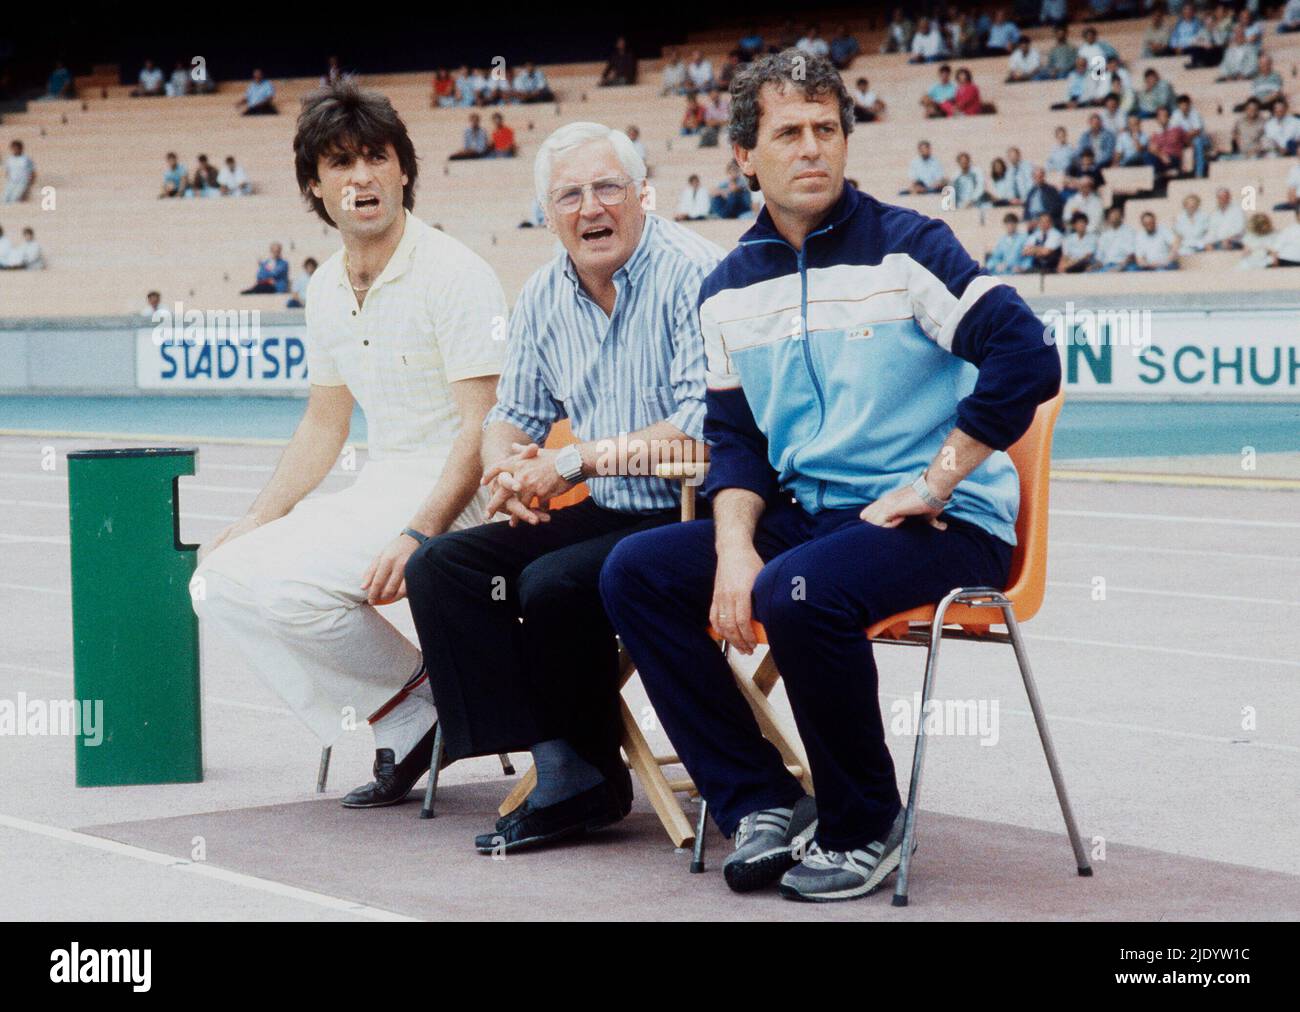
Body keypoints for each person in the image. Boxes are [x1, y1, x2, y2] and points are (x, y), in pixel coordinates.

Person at [599, 49, 1060, 903]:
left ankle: (866, 826)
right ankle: (763, 798)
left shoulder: (908, 248)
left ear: (845, 142)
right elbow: (735, 439)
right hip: (816, 518)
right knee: (637, 571)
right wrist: (734, 547)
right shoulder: (729, 287)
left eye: (826, 129)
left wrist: (937, 479)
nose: (811, 148)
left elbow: (1028, 355)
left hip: (943, 528)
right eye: (788, 133)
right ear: (745, 156)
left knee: (800, 589)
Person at [402, 121, 724, 854]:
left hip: (695, 514)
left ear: (643, 194)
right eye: (569, 196)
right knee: (444, 566)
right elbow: (512, 413)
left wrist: (572, 463)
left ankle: (575, 776)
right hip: (613, 512)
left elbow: (698, 436)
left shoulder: (693, 274)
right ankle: (567, 761)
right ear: (547, 214)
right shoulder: (546, 291)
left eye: (607, 187)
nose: (590, 208)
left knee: (551, 583)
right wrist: (505, 468)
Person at [192, 80, 508, 809]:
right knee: (220, 579)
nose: (361, 177)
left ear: (403, 170)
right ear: (316, 186)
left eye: (376, 157)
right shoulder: (326, 286)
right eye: (340, 163)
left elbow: (480, 428)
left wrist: (417, 532)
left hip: (458, 495)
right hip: (384, 481)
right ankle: (411, 707)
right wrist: (252, 521)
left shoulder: (456, 273)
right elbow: (323, 426)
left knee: (296, 591)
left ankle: (425, 703)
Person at [1171, 94, 1212, 177]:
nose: (1183, 107)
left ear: (1189, 104)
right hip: (1184, 139)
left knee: (1197, 142)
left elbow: (1197, 131)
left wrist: (1184, 136)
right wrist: (1184, 137)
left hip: (1201, 139)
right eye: (1181, 105)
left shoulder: (1195, 113)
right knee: (1173, 142)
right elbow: (1173, 131)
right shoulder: (1176, 114)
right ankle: (1181, 174)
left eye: (1185, 104)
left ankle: (1199, 173)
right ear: (1178, 105)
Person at [1093, 205, 1136, 270]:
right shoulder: (1104, 235)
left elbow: (1132, 255)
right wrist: (1093, 267)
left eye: (1116, 214)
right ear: (1108, 218)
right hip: (1107, 266)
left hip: (1125, 266)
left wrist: (1120, 267)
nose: (1114, 217)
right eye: (1112, 215)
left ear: (1122, 216)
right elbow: (1099, 259)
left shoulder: (1130, 232)